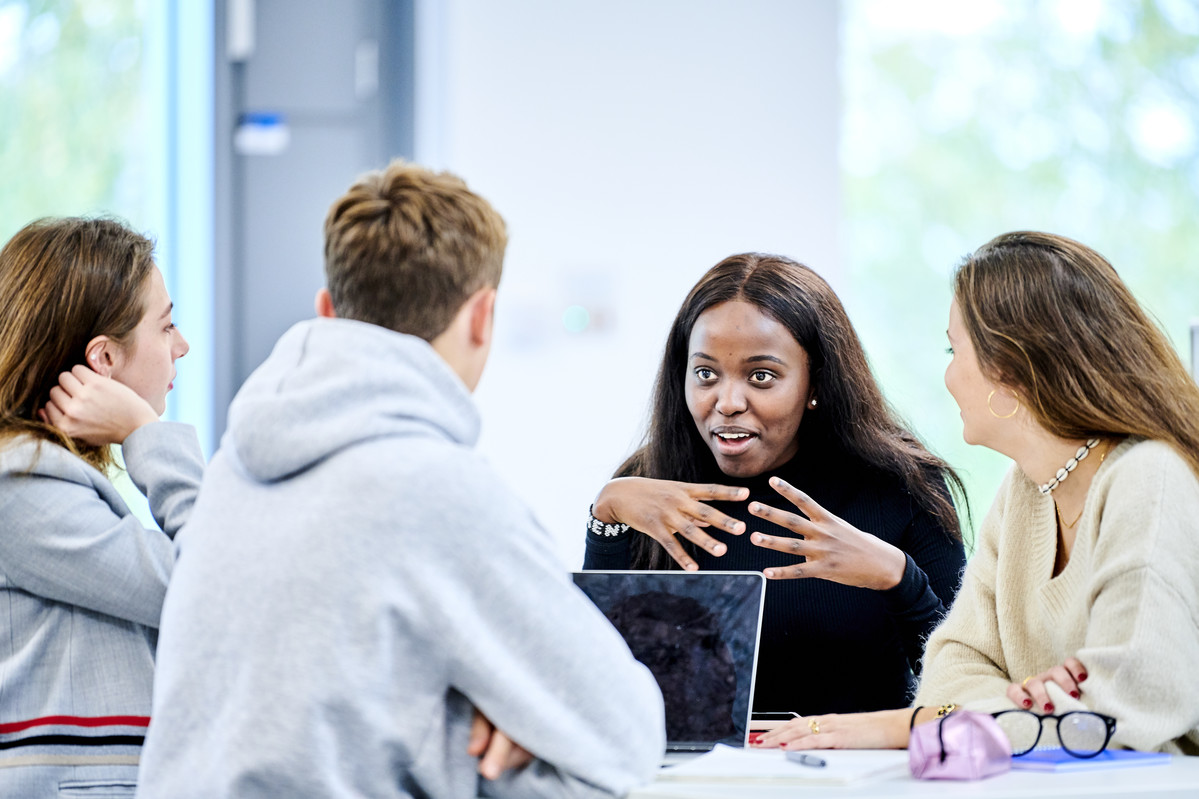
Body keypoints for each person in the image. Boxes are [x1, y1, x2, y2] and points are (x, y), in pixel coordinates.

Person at [135, 160, 665, 799]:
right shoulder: (439, 489)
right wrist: (521, 716)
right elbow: (627, 734)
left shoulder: (230, 473)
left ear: (328, 311)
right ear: (482, 316)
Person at [758, 231, 1199, 754]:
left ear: (1009, 368)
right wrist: (1024, 708)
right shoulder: (1026, 491)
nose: (948, 374)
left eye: (954, 348)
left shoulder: (1149, 477)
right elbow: (949, 673)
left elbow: (1122, 712)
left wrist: (919, 725)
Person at [584, 253, 968, 716]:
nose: (727, 402)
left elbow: (963, 690)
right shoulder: (643, 488)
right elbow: (593, 678)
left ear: (816, 382)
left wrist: (899, 578)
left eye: (761, 376)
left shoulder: (903, 485)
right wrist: (605, 513)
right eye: (706, 374)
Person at [0, 217, 202, 797]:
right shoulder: (19, 485)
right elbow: (214, 583)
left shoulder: (45, 480)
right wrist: (146, 432)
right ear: (104, 360)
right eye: (166, 328)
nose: (181, 347)